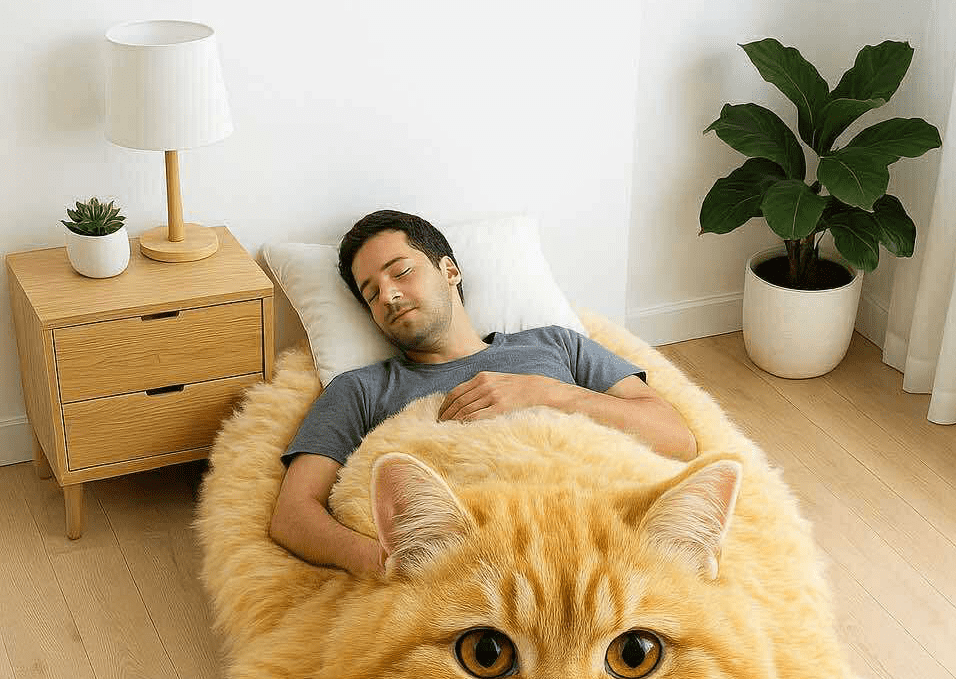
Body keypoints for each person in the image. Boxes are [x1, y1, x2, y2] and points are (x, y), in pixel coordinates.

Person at [269, 210, 698, 575]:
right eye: (371, 294)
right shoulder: (360, 389)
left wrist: (550, 394)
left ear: (450, 270)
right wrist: (390, 562)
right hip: (477, 567)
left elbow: (677, 438)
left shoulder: (555, 344)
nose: (389, 295)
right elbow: (293, 515)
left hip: (598, 540)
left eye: (400, 271)